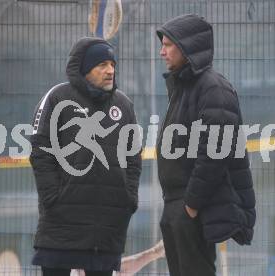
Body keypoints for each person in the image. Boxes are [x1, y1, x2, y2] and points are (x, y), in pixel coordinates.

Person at [29, 37, 142, 276]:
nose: (110, 70)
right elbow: (40, 150)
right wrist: (52, 196)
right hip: (61, 222)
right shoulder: (57, 97)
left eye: (112, 64)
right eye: (102, 65)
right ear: (84, 69)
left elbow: (134, 157)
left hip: (106, 226)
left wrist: (128, 197)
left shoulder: (124, 105)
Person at [155, 14, 256, 276]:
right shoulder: (184, 86)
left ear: (187, 46)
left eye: (168, 45)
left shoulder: (213, 88)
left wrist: (191, 204)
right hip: (175, 204)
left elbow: (215, 152)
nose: (162, 51)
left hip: (191, 207)